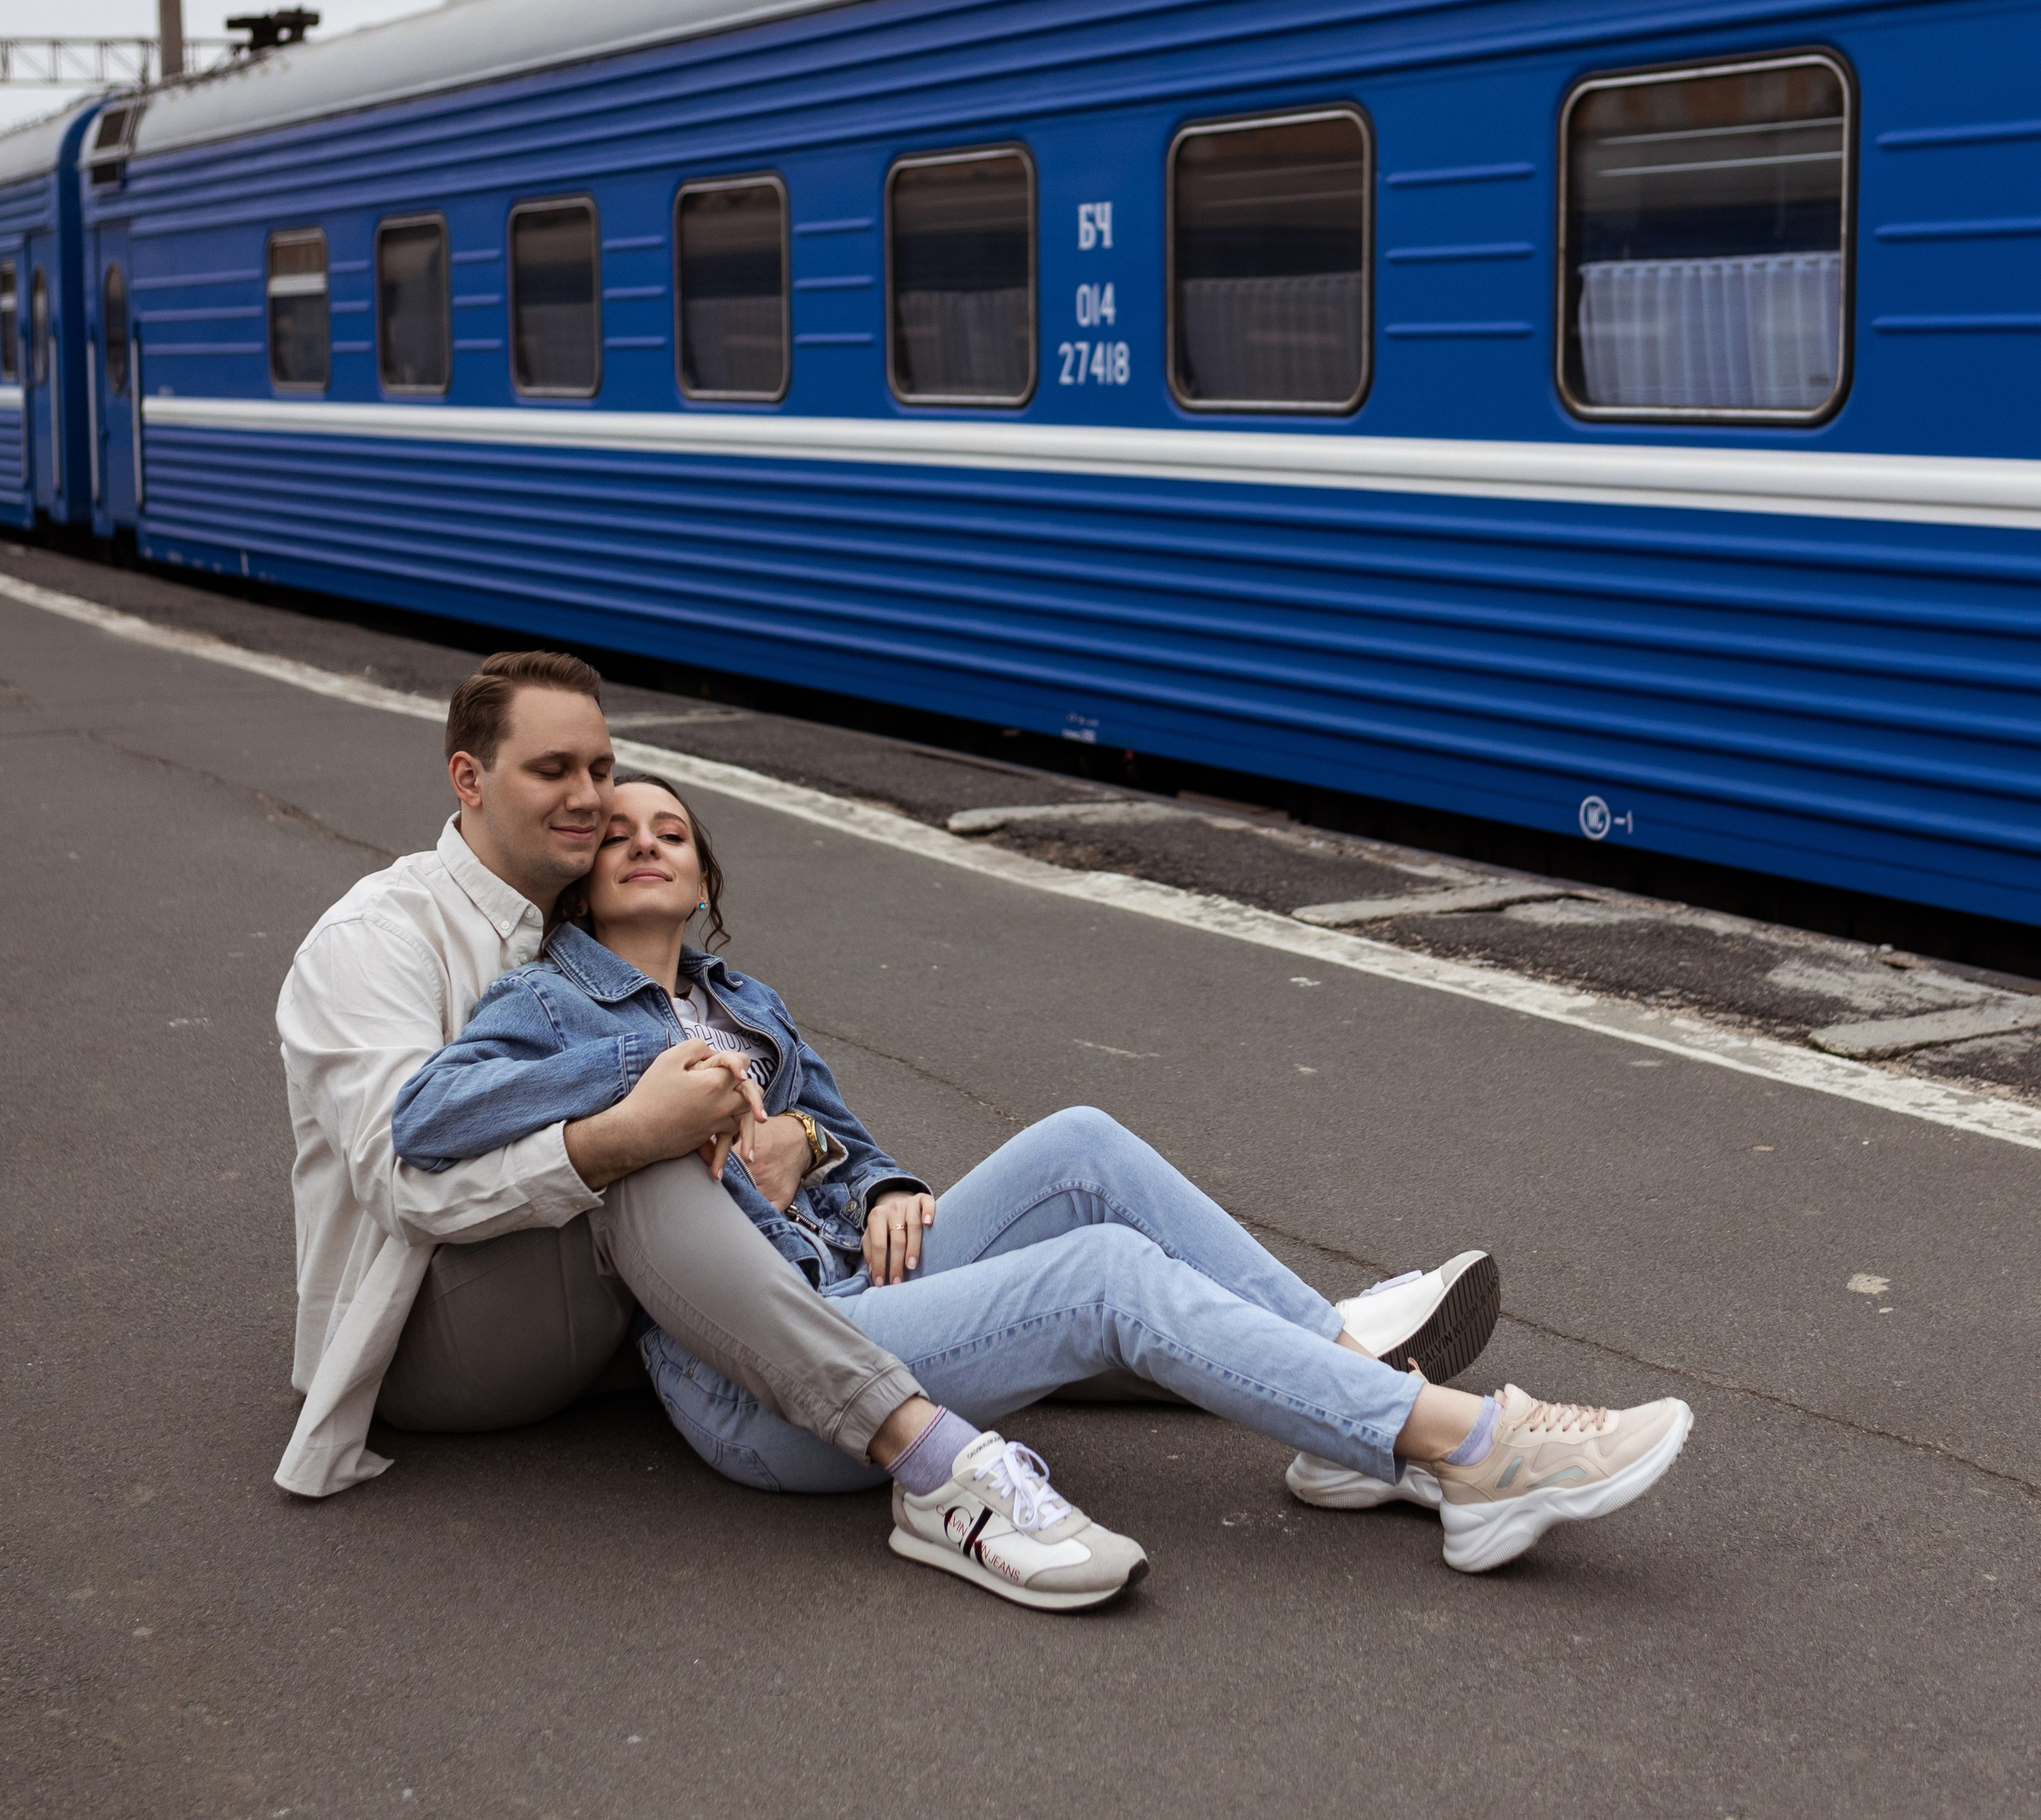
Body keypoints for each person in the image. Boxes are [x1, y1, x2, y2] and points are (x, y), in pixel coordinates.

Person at [393, 767, 1694, 1582]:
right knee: (1105, 1278)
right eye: (617, 832)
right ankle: (1467, 1451)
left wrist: (866, 1172)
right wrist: (649, 1087)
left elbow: (851, 1142)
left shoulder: (747, 1002)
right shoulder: (553, 999)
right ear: (578, 883)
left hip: (852, 1275)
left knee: (1078, 1140)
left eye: (672, 830)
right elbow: (431, 1114)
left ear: (703, 874)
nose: (646, 842)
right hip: (759, 1387)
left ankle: (1352, 1405)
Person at [276, 647, 1172, 1610]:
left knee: (1018, 1239)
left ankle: (1238, 1346)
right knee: (657, 1156)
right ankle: (932, 1461)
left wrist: (813, 1143)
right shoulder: (376, 939)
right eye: (552, 771)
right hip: (436, 1334)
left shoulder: (599, 932)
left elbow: (815, 1121)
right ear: (469, 778)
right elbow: (398, 1184)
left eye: (600, 768)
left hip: (619, 1319)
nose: (588, 799)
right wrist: (624, 1127)